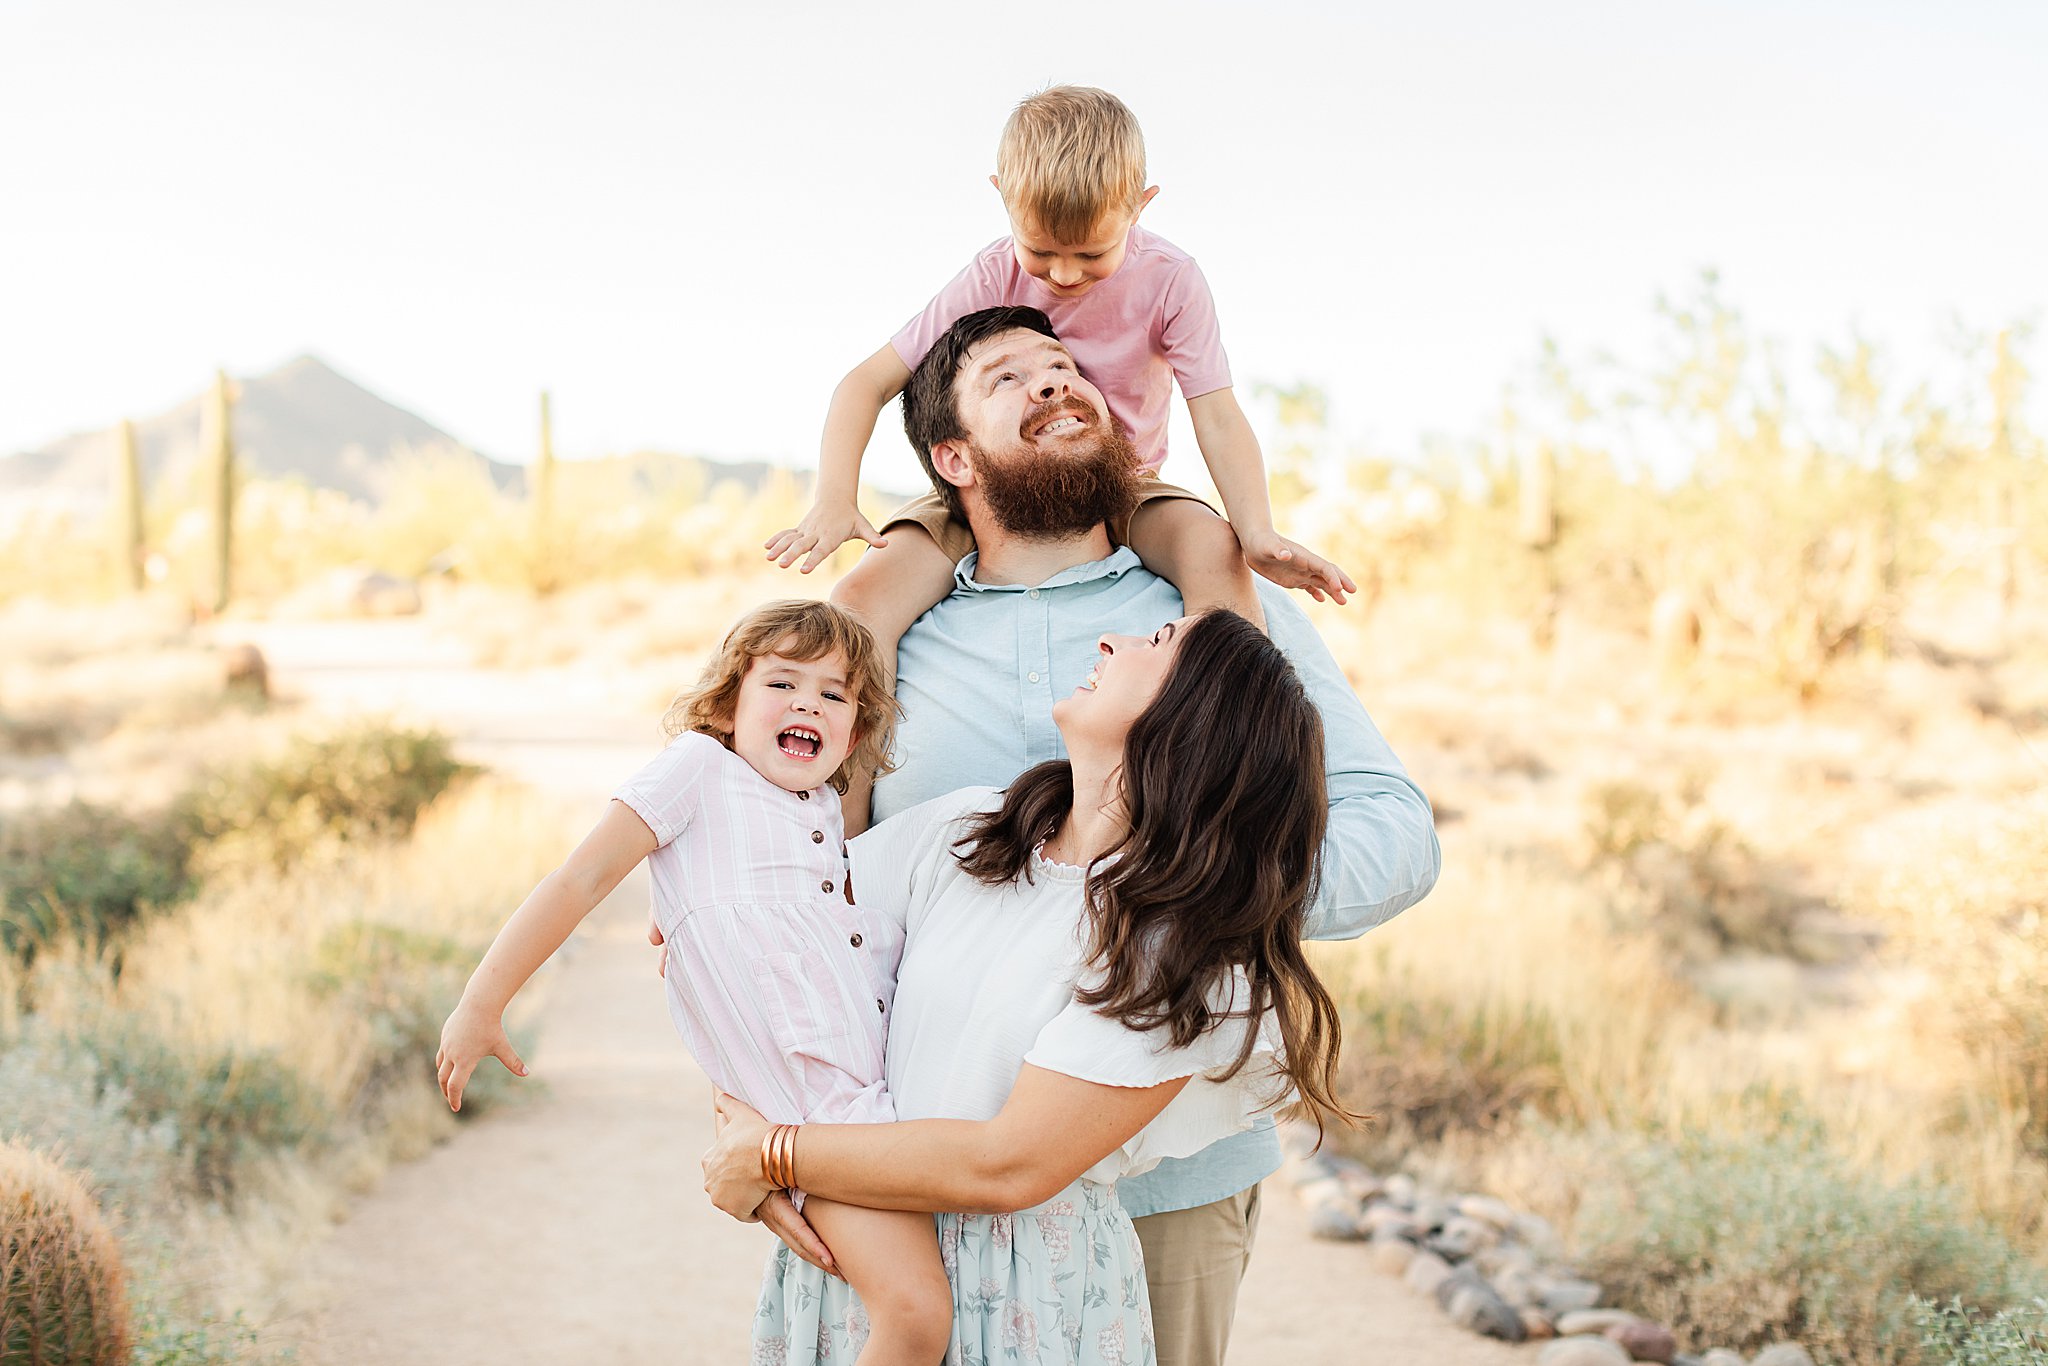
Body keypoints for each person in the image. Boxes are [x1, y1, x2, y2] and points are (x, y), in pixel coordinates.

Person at [748, 304, 1438, 1366]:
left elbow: (1394, 835)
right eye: (1010, 379)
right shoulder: (887, 635)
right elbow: (804, 882)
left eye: (1066, 367)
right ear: (951, 458)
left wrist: (1183, 895)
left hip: (1166, 1183)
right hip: (909, 1156)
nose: (1056, 384)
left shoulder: (1210, 621)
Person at [702, 608, 1361, 1366]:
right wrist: (738, 1126)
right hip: (859, 1248)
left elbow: (1008, 1164)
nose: (1110, 639)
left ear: (1198, 720)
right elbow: (765, 966)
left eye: (1157, 642)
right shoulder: (967, 831)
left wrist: (774, 1154)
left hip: (1023, 1297)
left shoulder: (1189, 953)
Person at [764, 86, 1355, 806]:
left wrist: (1255, 528)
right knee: (861, 597)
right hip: (995, 473)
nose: (1066, 276)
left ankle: (1228, 783)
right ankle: (841, 838)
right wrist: (833, 496)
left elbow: (1219, 414)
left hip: (1128, 477)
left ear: (1141, 205)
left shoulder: (1170, 280)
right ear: (1001, 200)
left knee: (1215, 552)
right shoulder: (990, 275)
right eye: (1042, 251)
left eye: (1092, 253)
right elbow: (864, 383)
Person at [434, 600, 955, 1366]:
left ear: (854, 731)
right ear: (725, 704)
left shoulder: (817, 813)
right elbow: (580, 880)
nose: (808, 701)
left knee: (913, 1309)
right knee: (913, 1315)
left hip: (871, 1095)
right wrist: (482, 1001)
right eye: (782, 682)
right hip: (812, 1112)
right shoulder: (699, 769)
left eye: (835, 694)